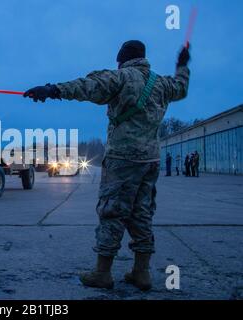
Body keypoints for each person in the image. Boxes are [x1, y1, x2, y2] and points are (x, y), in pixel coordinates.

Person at [23, 40, 190, 290]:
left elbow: (86, 86)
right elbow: (181, 87)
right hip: (151, 160)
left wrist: (52, 90)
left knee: (112, 212)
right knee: (142, 213)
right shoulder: (162, 83)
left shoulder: (121, 77)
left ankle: (103, 273)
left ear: (122, 58)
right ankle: (141, 272)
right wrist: (182, 65)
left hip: (123, 158)